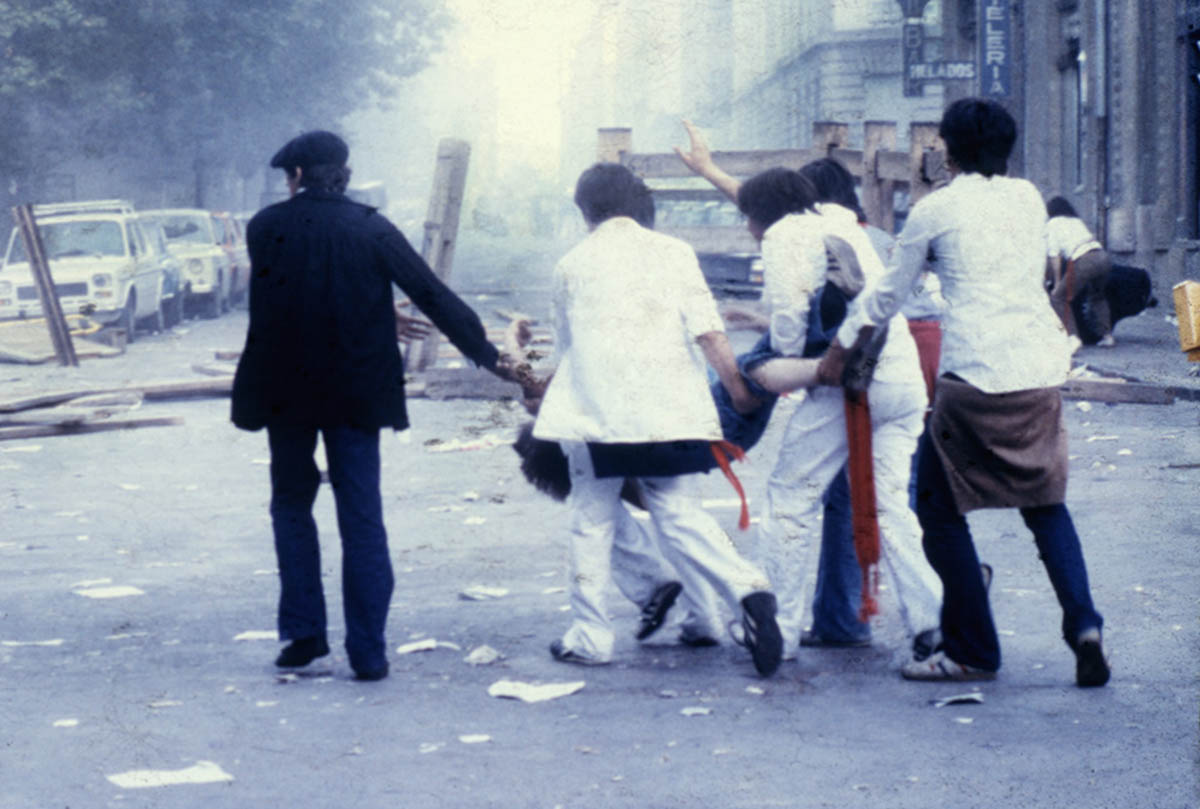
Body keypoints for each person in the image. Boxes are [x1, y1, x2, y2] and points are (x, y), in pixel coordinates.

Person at [819, 98, 1110, 687]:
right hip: (1036, 373)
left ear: (946, 150)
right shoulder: (1028, 199)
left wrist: (840, 348)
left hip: (973, 378)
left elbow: (885, 296)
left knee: (936, 510)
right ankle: (1084, 625)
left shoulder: (937, 210)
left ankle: (973, 649)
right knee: (1045, 504)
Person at [231, 130, 512, 681]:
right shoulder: (372, 228)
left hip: (286, 392)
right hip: (356, 392)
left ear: (293, 179)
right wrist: (490, 356)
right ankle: (368, 650)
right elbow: (432, 294)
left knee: (291, 507)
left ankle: (304, 636)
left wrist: (372, 313)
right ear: (346, 175)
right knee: (362, 516)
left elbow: (290, 300)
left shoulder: (265, 228)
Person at [674, 123, 940, 660]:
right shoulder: (840, 221)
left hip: (847, 382)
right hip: (902, 378)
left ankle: (782, 629)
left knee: (791, 497)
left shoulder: (779, 236)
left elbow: (793, 313)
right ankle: (930, 621)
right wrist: (712, 171)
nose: (748, 230)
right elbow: (768, 201)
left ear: (758, 219)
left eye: (748, 220)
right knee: (890, 505)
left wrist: (785, 364)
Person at [531, 162, 784, 676]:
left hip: (598, 415)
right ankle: (747, 588)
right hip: (671, 410)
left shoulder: (572, 265)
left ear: (585, 211)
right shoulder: (675, 254)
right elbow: (709, 331)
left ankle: (591, 636)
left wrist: (533, 387)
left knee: (592, 520)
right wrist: (736, 390)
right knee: (675, 510)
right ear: (640, 205)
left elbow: (565, 351)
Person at [1045, 195, 1114, 347]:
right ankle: (1107, 336)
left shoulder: (1053, 223)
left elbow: (1054, 256)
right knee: (1098, 296)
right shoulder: (1076, 221)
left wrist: (1057, 282)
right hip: (1102, 256)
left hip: (1084, 260)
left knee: (1058, 297)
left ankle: (1073, 337)